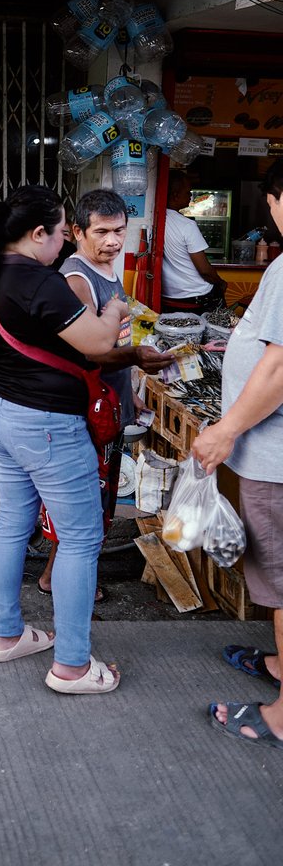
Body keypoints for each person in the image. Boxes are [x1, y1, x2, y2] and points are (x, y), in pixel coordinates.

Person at [0, 184, 127, 694]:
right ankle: (73, 666)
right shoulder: (40, 280)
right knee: (82, 538)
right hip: (47, 425)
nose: (64, 243)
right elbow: (100, 344)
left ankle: (6, 635)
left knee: (13, 523)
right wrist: (119, 310)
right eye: (61, 233)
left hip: (1, 412)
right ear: (39, 234)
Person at [38, 189, 174, 597]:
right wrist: (134, 356)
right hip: (83, 413)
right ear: (77, 231)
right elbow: (89, 352)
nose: (113, 241)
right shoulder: (77, 278)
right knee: (82, 499)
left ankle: (55, 575)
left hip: (108, 406)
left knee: (99, 499)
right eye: (102, 231)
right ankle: (62, 580)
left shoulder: (110, 272)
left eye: (119, 231)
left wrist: (128, 388)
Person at [192, 159, 283, 749]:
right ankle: (280, 664)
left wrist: (226, 429)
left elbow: (278, 366)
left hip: (276, 456)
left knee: (282, 577)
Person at [161, 170, 226, 313]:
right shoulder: (187, 225)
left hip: (168, 296)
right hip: (197, 295)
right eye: (187, 192)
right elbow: (205, 271)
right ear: (175, 195)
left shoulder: (157, 220)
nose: (190, 196)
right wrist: (221, 283)